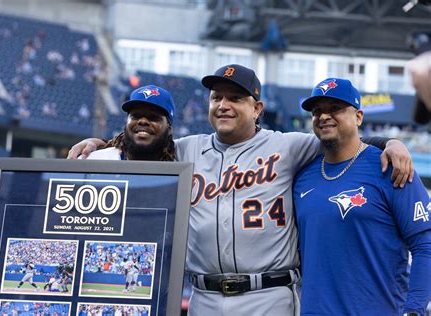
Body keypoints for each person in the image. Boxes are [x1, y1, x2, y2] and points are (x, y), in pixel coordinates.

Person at [69, 65, 413, 316]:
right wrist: (99, 141)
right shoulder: (187, 149)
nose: (224, 104)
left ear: (257, 108)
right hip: (203, 295)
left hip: (270, 295)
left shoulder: (289, 146)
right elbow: (144, 139)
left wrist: (391, 142)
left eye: (236, 97)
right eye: (217, 97)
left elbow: (342, 136)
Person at [293, 78, 431, 315]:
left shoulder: (392, 167)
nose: (324, 116)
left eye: (335, 108)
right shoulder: (302, 176)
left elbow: (425, 245)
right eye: (317, 111)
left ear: (358, 116)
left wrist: (415, 310)